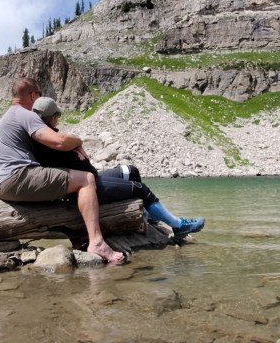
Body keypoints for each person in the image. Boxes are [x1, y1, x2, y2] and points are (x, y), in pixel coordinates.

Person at [0, 77, 126, 264]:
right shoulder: (25, 114)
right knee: (86, 179)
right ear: (33, 94)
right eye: (39, 95)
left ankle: (78, 238)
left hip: (1, 183)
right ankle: (97, 242)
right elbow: (59, 142)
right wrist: (79, 141)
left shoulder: (9, 115)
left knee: (64, 183)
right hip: (16, 178)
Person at [31, 96, 205, 239]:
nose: (58, 119)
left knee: (131, 171)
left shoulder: (47, 135)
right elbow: (71, 154)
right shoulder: (50, 141)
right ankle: (177, 225)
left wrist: (76, 144)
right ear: (51, 117)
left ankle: (148, 216)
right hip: (86, 189)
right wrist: (76, 146)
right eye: (57, 115)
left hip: (93, 177)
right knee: (139, 188)